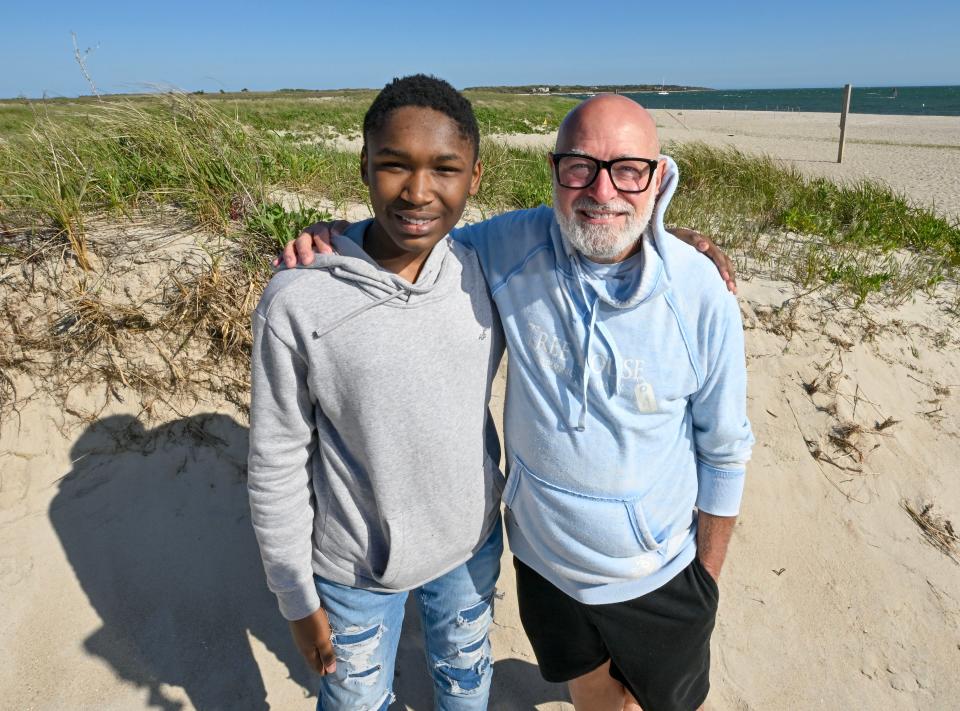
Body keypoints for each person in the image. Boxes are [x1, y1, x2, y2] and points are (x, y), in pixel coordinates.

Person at [286, 93, 754, 711]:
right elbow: (420, 230)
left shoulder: (699, 291)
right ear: (556, 171)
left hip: (661, 575)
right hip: (544, 565)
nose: (602, 190)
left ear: (658, 176)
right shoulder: (508, 246)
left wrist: (707, 584)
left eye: (628, 170)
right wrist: (337, 237)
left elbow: (724, 450)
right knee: (590, 690)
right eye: (580, 166)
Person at [248, 74, 506, 711]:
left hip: (470, 545)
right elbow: (276, 460)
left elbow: (593, 241)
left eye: (445, 169)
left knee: (467, 687)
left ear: (474, 177)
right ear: (364, 165)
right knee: (354, 700)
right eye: (394, 165)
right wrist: (295, 598)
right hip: (354, 568)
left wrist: (683, 241)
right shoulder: (299, 295)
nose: (418, 192)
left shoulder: (485, 269)